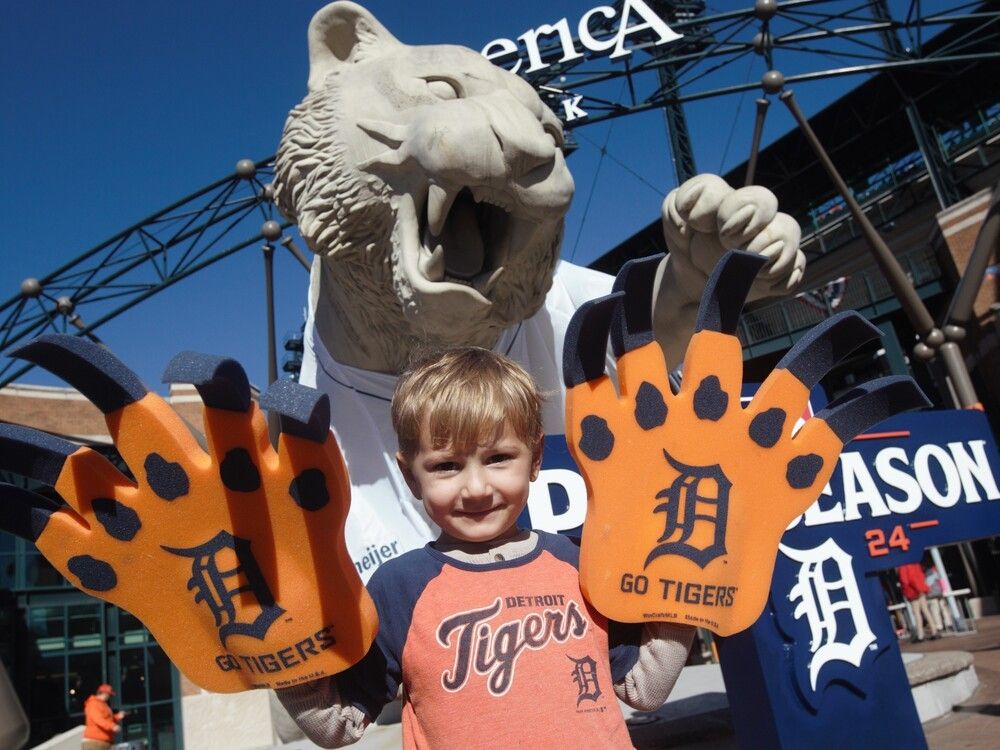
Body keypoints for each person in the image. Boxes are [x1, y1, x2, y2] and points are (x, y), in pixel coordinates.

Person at [278, 347, 694, 748]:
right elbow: (337, 726)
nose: (476, 488)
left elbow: (645, 688)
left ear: (535, 458)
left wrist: (689, 590)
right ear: (410, 476)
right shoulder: (399, 588)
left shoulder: (579, 562)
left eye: (498, 458)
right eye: (446, 465)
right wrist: (279, 644)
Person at [897, 562, 940, 643]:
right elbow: (920, 576)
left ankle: (920, 635)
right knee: (926, 611)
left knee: (917, 613)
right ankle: (934, 631)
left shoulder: (903, 567)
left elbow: (904, 580)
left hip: (913, 592)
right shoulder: (915, 564)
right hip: (921, 589)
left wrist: (905, 591)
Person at [82, 683, 124, 750]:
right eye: (109, 695)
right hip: (94, 742)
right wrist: (113, 726)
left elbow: (107, 719)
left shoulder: (103, 704)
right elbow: (98, 719)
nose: (109, 697)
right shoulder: (93, 703)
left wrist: (117, 717)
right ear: (103, 693)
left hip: (106, 742)